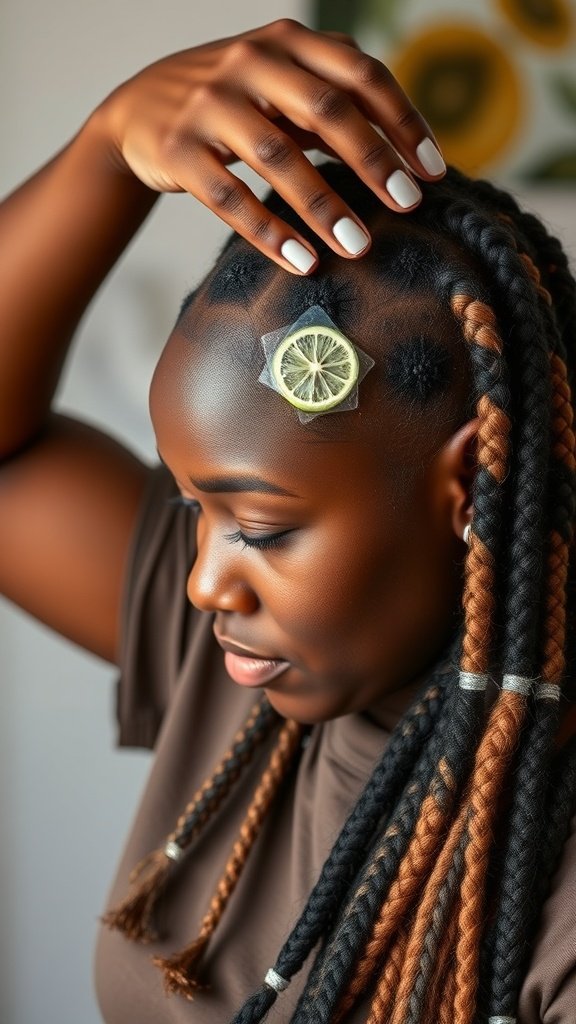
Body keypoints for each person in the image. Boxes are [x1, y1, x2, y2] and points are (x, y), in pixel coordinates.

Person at [0, 17, 575, 1024]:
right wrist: (107, 153)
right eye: (193, 507)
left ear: (473, 486)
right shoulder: (237, 652)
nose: (202, 579)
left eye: (259, 527)